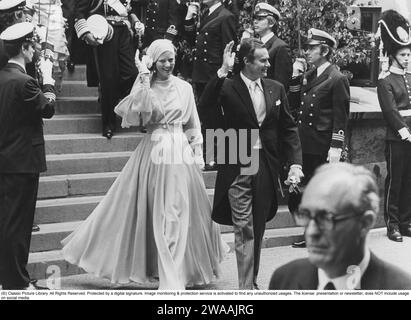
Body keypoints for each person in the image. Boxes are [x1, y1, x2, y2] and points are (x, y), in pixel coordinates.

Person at [61, 39, 226, 290]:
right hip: (155, 149)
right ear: (153, 62)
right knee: (155, 211)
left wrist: (198, 152)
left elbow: (194, 122)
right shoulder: (145, 87)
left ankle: (177, 271)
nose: (168, 64)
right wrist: (144, 80)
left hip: (180, 151)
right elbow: (136, 115)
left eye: (171, 59)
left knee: (179, 211)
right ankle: (168, 274)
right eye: (163, 60)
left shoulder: (184, 87)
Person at [199, 39, 303, 289]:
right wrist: (222, 72)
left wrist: (295, 164)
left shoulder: (276, 88)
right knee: (243, 225)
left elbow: (288, 128)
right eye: (263, 60)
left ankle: (251, 282)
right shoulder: (227, 86)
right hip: (236, 157)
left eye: (268, 59)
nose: (268, 64)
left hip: (266, 163)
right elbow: (205, 108)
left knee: (256, 226)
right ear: (246, 62)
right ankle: (246, 288)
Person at [269, 163, 411, 290]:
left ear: (365, 222)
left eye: (326, 218)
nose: (311, 232)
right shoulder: (283, 279)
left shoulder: (400, 288)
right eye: (305, 215)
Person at [0, 22, 55, 290]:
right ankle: (16, 281)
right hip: (21, 162)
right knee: (18, 225)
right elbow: (48, 109)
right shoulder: (25, 82)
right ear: (23, 47)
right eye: (32, 46)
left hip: (6, 160)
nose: (35, 51)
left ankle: (11, 277)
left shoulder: (3, 77)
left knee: (7, 221)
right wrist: (49, 81)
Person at [287, 28, 350, 248]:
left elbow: (341, 117)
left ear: (324, 50)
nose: (307, 51)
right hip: (306, 143)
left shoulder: (336, 78)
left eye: (312, 48)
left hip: (323, 145)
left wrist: (336, 148)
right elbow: (293, 104)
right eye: (307, 47)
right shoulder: (309, 75)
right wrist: (295, 76)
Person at [184, 0, 237, 170]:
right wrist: (189, 18)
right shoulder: (205, 14)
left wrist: (226, 76)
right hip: (202, 74)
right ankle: (208, 156)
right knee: (206, 116)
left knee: (216, 117)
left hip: (215, 75)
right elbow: (192, 41)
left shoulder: (226, 16)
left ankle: (217, 158)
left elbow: (229, 48)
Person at [74, 0, 139, 139]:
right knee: (108, 79)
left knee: (131, 73)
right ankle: (108, 123)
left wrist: (136, 21)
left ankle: (111, 98)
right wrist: (86, 33)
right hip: (104, 32)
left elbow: (128, 8)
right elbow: (79, 12)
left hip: (124, 31)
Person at [376, 10, 411, 242]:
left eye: (408, 54)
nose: (407, 58)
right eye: (403, 54)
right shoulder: (385, 80)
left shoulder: (409, 77)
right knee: (395, 180)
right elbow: (390, 111)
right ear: (394, 55)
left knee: (409, 179)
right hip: (397, 136)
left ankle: (407, 221)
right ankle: (393, 224)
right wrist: (404, 131)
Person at [253, 2, 292, 91]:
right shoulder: (254, 44)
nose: (255, 21)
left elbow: (281, 84)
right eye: (255, 18)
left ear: (271, 23)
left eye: (260, 19)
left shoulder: (280, 47)